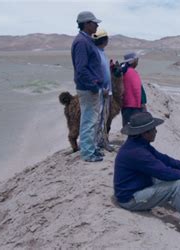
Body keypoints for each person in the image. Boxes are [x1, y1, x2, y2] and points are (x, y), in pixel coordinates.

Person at [114, 112, 180, 240]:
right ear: (145, 133)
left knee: (167, 176)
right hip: (130, 200)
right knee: (176, 185)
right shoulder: (137, 152)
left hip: (138, 187)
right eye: (153, 129)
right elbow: (165, 173)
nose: (156, 132)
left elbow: (164, 159)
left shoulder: (138, 144)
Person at [71, 11, 104, 162]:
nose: (97, 25)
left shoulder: (87, 40)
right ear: (86, 24)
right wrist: (93, 85)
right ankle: (88, 153)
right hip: (88, 88)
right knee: (88, 121)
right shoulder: (82, 42)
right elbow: (81, 69)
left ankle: (91, 148)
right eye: (94, 23)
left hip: (90, 87)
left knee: (92, 120)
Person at [92, 29, 114, 152]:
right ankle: (94, 145)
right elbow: (95, 73)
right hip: (101, 91)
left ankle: (101, 141)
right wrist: (100, 88)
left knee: (103, 118)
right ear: (104, 40)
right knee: (97, 118)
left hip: (106, 92)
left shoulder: (102, 52)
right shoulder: (96, 53)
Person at [121, 52, 147, 126]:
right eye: (136, 60)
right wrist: (141, 104)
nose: (137, 62)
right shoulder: (131, 72)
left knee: (127, 126)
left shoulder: (125, 71)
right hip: (133, 106)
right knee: (135, 128)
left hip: (126, 105)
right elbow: (137, 89)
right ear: (132, 61)